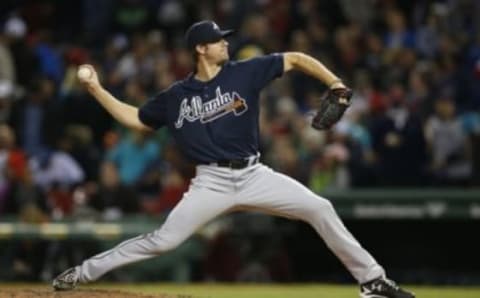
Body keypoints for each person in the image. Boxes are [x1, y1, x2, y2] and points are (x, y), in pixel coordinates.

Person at [52, 21, 415, 298]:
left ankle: (372, 281)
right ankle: (83, 273)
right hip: (211, 182)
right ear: (200, 49)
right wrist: (96, 89)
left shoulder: (244, 72)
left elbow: (296, 58)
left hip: (255, 173)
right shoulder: (177, 96)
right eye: (218, 39)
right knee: (164, 241)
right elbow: (135, 118)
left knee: (319, 208)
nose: (226, 42)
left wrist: (335, 83)